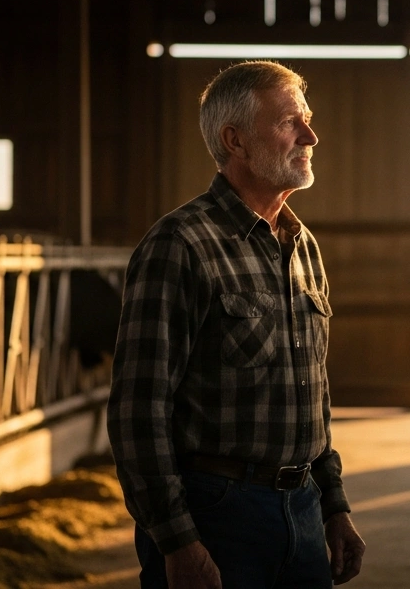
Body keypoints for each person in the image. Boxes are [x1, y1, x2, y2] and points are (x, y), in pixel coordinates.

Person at [108, 60, 365, 588]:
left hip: (303, 509)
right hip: (216, 512)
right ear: (236, 140)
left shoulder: (303, 246)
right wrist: (177, 540)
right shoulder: (179, 245)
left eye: (307, 120)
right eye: (289, 122)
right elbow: (138, 409)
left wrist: (334, 506)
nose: (311, 135)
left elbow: (311, 395)